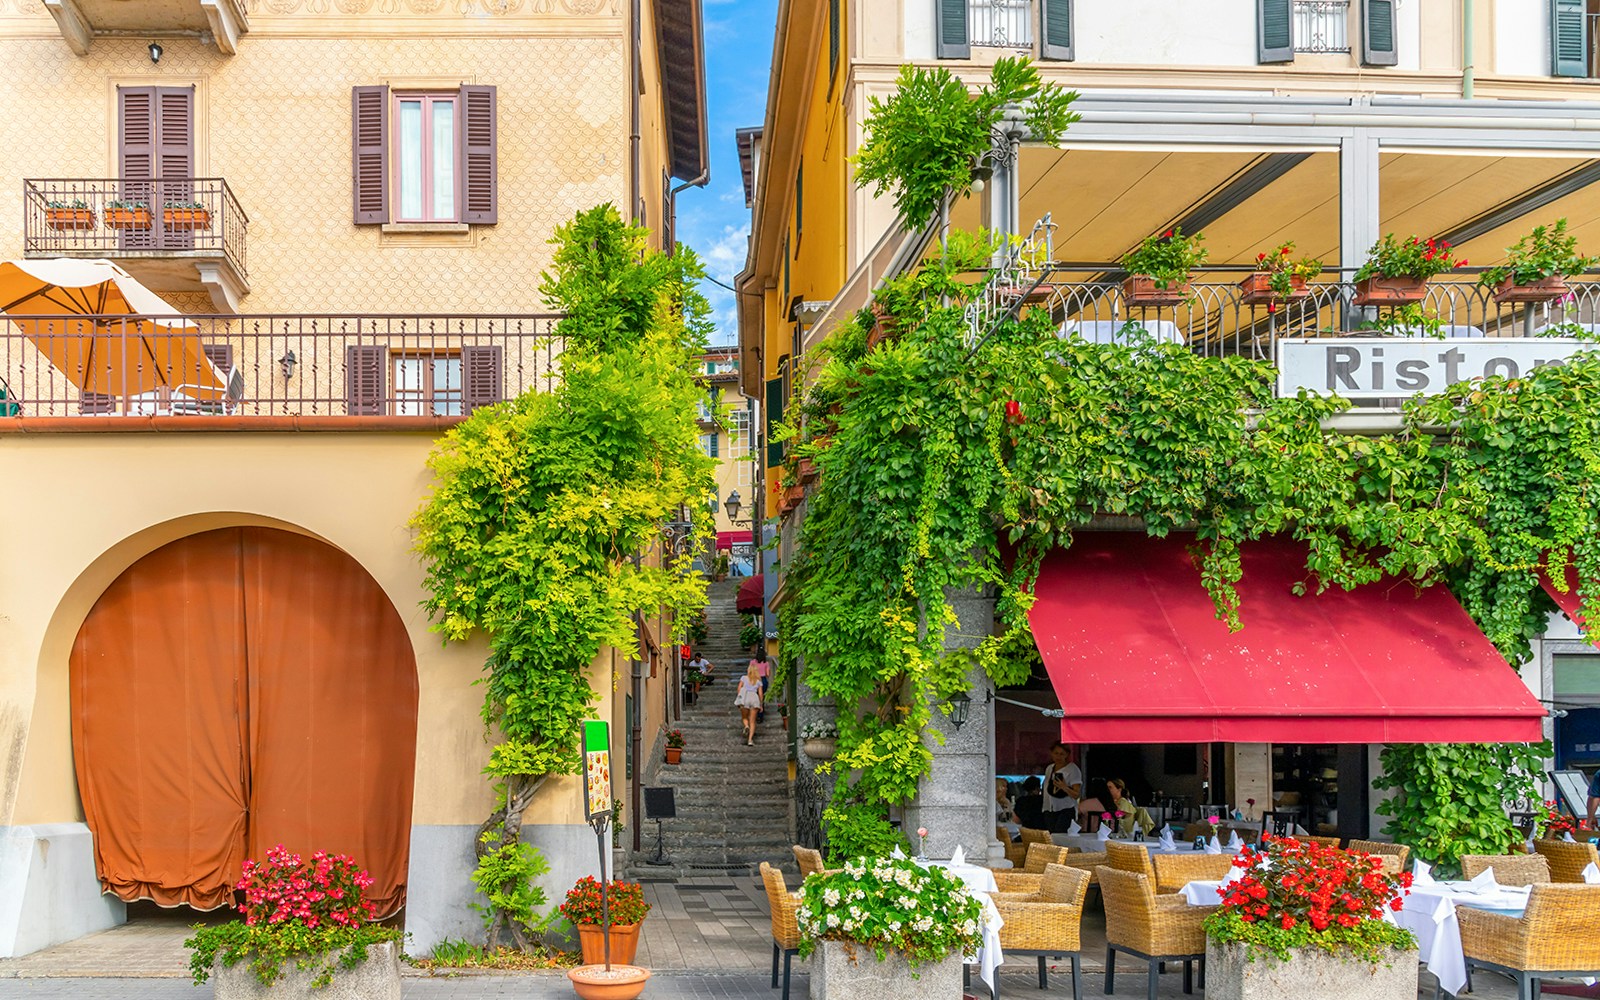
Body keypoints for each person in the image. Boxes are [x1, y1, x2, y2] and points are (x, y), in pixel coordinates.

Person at [1041, 743, 1082, 833]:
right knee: (1051, 836)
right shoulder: (1049, 768)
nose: (1058, 757)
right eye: (1056, 753)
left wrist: (1064, 787)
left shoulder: (1072, 769)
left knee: (1061, 835)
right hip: (1049, 808)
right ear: (1051, 753)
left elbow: (1076, 794)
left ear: (1067, 755)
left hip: (1065, 808)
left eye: (1062, 754)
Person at [735, 663, 764, 746]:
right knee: (753, 721)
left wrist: (740, 697)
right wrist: (761, 704)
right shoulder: (758, 681)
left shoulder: (744, 678)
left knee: (744, 717)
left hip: (745, 697)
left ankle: (746, 726)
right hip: (754, 698)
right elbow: (761, 694)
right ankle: (750, 740)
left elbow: (739, 688)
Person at [750, 650, 772, 722]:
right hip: (763, 680)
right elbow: (768, 674)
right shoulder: (766, 663)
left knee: (755, 696)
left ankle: (755, 712)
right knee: (761, 696)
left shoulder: (753, 662)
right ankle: (760, 714)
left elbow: (749, 671)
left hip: (755, 679)